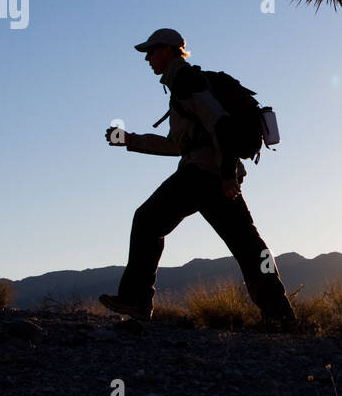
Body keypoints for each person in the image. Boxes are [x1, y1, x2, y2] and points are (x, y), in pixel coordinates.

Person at [100, 28, 297, 330]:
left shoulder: (185, 81)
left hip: (204, 174)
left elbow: (222, 124)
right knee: (247, 245)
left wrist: (227, 174)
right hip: (211, 173)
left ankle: (136, 300)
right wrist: (130, 140)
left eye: (151, 52)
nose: (148, 58)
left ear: (168, 50)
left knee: (147, 220)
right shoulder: (185, 84)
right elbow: (178, 145)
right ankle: (280, 316)